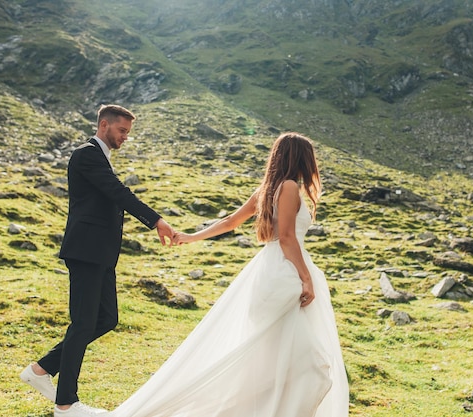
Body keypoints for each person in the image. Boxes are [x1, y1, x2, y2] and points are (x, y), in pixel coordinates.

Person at [102, 132, 349, 417]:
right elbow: (286, 238)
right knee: (307, 364)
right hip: (286, 273)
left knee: (275, 360)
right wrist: (306, 277)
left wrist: (190, 237)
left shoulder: (268, 189)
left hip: (268, 273)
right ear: (302, 158)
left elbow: (231, 221)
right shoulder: (291, 187)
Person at [20, 104, 175, 417]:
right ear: (104, 124)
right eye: (122, 131)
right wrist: (156, 220)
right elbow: (117, 192)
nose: (125, 138)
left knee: (106, 319)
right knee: (83, 323)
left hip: (101, 254)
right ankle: (65, 404)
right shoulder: (86, 153)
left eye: (127, 133)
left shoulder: (99, 158)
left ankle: (41, 369)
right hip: (86, 251)